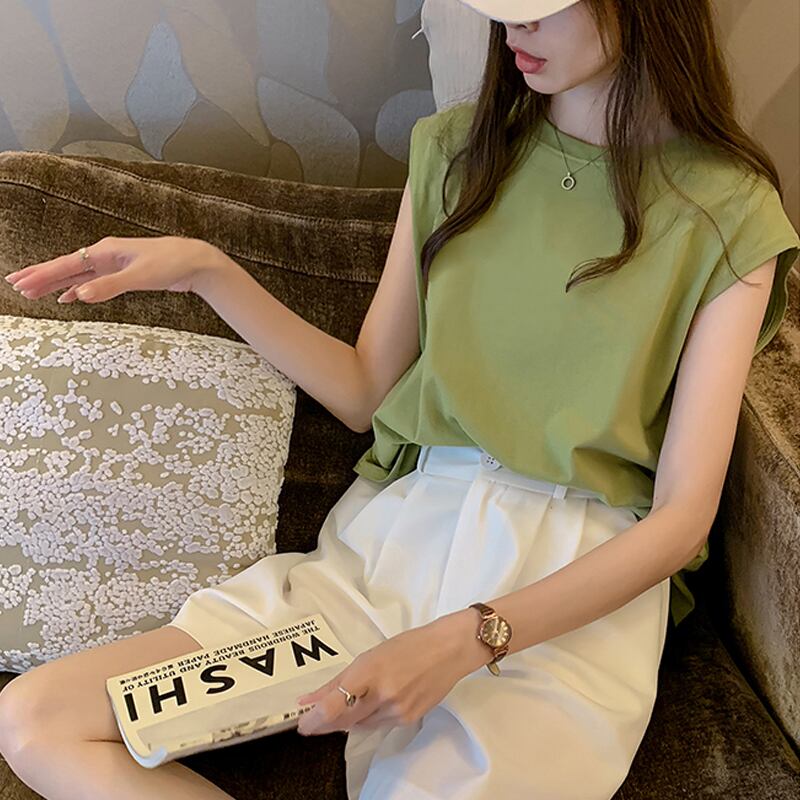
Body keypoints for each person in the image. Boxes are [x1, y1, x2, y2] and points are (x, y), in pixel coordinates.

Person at [0, 0, 798, 798]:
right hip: (386, 557)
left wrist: (471, 637)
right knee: (39, 719)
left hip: (567, 591)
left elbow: (681, 519)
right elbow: (364, 392)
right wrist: (207, 270)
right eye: (502, 11)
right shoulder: (457, 152)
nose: (513, 31)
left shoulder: (729, 210)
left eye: (541, 8)